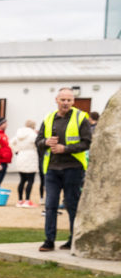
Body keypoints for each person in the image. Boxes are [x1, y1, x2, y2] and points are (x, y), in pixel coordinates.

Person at [35, 88, 92, 252]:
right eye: (63, 100)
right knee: (50, 205)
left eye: (69, 100)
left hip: (73, 168)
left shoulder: (81, 118)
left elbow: (87, 142)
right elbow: (37, 141)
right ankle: (49, 240)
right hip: (52, 168)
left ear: (73, 102)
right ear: (56, 100)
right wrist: (46, 142)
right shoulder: (48, 118)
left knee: (72, 204)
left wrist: (64, 148)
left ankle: (72, 239)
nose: (66, 103)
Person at [10, 120, 39, 207]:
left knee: (22, 180)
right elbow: (38, 144)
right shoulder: (33, 134)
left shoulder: (19, 133)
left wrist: (16, 150)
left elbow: (11, 142)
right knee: (30, 180)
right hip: (31, 156)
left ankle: (20, 200)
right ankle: (27, 200)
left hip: (21, 156)